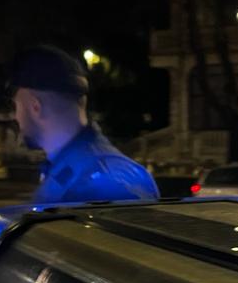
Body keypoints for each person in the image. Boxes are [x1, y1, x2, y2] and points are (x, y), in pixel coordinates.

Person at [10, 45, 159, 204]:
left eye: (16, 106)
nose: (16, 117)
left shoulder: (104, 184)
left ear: (35, 107)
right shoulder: (78, 170)